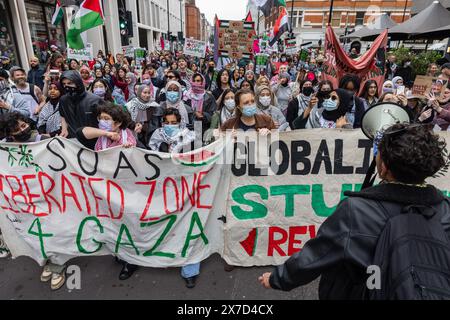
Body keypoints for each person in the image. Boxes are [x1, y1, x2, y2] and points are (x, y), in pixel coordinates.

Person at [259, 123, 450, 300]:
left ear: (383, 167)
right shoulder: (445, 209)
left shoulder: (355, 210)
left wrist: (277, 278)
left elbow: (315, 256)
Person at [58, 70, 102, 150]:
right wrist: (64, 129)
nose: (67, 86)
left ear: (78, 82)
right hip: (73, 142)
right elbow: (63, 115)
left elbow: (105, 119)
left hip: (94, 141)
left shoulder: (95, 100)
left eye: (70, 83)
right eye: (64, 84)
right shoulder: (63, 100)